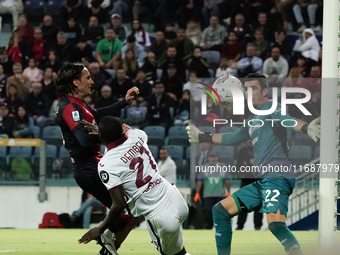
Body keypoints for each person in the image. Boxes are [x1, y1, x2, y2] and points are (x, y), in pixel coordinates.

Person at [186, 73, 321, 255]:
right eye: (246, 89)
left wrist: (305, 127)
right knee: (220, 211)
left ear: (265, 91)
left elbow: (286, 120)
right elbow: (233, 137)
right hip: (262, 181)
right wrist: (203, 136)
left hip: (277, 175)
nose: (249, 92)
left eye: (254, 88)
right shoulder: (253, 119)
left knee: (275, 225)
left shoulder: (272, 107)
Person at [55, 62, 140, 255]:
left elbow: (97, 115)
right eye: (87, 78)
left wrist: (123, 102)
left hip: (96, 166)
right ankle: (105, 240)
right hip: (89, 169)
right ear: (76, 82)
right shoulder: (69, 107)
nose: (91, 81)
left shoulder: (77, 104)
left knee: (132, 208)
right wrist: (119, 133)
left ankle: (107, 244)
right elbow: (84, 141)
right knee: (129, 208)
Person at [78, 116, 191, 255]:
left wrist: (100, 228)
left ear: (101, 136)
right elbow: (124, 135)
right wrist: (104, 132)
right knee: (180, 253)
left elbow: (118, 204)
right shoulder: (137, 134)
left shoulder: (106, 164)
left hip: (158, 212)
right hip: (176, 198)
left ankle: (108, 237)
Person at [194, 150, 231, 229]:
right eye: (211, 157)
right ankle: (208, 226)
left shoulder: (223, 167)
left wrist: (228, 192)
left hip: (220, 194)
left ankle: (220, 227)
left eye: (214, 157)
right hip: (208, 195)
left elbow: (227, 180)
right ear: (208, 158)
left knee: (220, 212)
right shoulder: (204, 168)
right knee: (208, 212)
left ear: (217, 158)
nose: (213, 159)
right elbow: (199, 181)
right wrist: (197, 193)